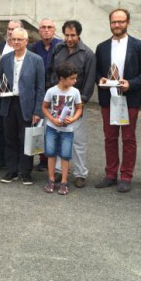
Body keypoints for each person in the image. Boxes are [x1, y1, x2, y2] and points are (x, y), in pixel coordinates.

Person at [95, 8, 141, 192]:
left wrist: (132, 83)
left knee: (128, 138)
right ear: (110, 23)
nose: (117, 25)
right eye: (114, 22)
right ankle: (111, 174)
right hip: (108, 99)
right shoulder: (102, 47)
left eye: (120, 21)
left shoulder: (138, 46)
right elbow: (96, 70)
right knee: (110, 138)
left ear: (128, 22)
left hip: (129, 98)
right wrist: (100, 80)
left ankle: (126, 176)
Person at [46, 20, 96, 188]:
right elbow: (52, 72)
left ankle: (80, 173)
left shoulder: (87, 54)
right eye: (66, 35)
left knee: (78, 141)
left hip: (76, 103)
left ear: (79, 35)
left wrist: (80, 104)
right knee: (59, 138)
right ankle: (59, 171)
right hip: (57, 102)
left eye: (73, 35)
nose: (69, 38)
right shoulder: (58, 49)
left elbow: (89, 81)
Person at [0, 28, 44, 185]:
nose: (16, 42)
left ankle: (25, 171)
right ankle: (12, 170)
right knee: (9, 138)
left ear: (26, 41)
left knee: (26, 139)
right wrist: (1, 88)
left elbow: (40, 87)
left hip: (27, 105)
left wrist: (38, 110)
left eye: (19, 39)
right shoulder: (5, 59)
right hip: (8, 102)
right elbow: (0, 80)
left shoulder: (36, 60)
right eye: (13, 39)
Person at [42, 63, 83, 195]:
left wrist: (74, 118)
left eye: (75, 78)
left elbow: (79, 108)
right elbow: (44, 107)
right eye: (72, 78)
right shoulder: (51, 91)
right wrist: (52, 119)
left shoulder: (75, 92)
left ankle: (64, 181)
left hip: (68, 129)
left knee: (65, 155)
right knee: (51, 153)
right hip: (52, 128)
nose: (75, 81)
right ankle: (51, 179)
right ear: (62, 78)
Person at [30, 17, 61, 171]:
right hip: (40, 91)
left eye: (50, 27)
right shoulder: (33, 48)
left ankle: (56, 161)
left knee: (56, 127)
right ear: (39, 30)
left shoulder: (61, 46)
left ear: (54, 30)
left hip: (57, 92)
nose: (46, 30)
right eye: (43, 27)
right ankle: (43, 159)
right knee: (40, 126)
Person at [0, 19, 22, 171]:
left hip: (21, 97)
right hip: (2, 97)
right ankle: (2, 158)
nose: (10, 32)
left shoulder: (28, 49)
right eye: (9, 29)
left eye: (14, 29)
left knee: (20, 130)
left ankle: (20, 163)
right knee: (4, 129)